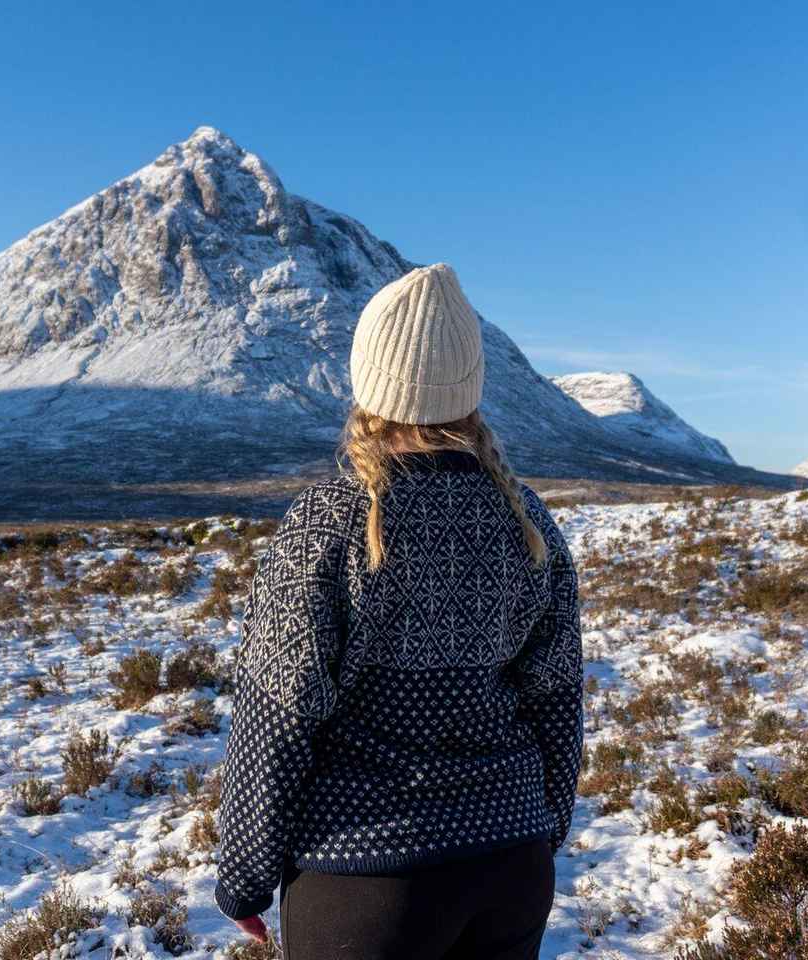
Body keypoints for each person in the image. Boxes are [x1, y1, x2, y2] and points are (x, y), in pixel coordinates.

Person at [213, 263, 584, 959]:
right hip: (510, 865)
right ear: (469, 389)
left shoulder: (326, 523)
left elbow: (277, 712)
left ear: (370, 384)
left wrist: (243, 878)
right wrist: (539, 826)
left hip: (365, 878)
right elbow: (557, 698)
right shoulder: (527, 518)